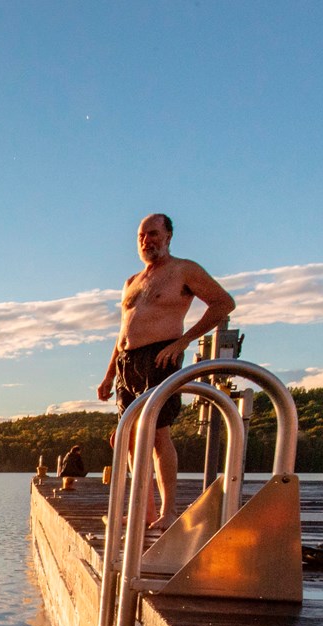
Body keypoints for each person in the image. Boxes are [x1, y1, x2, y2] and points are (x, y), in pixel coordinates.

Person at [96, 214, 235, 530]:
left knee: (158, 435)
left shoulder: (183, 270)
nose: (147, 241)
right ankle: (144, 510)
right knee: (128, 438)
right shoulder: (132, 282)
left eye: (154, 234)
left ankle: (168, 511)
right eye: (142, 236)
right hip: (127, 364)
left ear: (169, 236)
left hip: (160, 357)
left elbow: (223, 303)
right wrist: (108, 375)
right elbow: (122, 333)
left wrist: (183, 342)